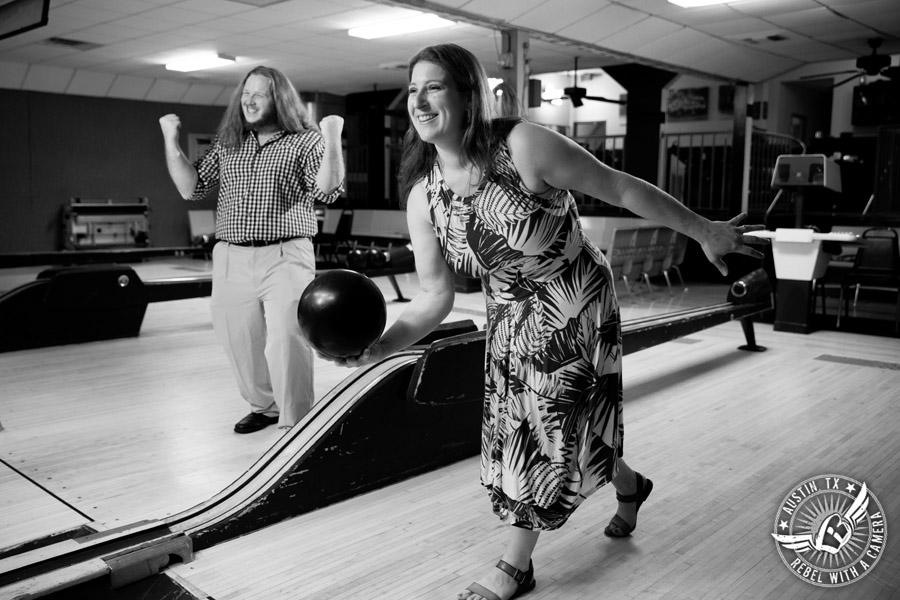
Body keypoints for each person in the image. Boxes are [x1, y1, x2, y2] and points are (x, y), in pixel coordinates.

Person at [327, 44, 767, 600]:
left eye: (434, 86)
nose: (419, 100)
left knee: (543, 429)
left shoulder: (523, 146)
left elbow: (620, 186)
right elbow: (433, 297)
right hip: (509, 316)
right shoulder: (425, 196)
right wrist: (380, 345)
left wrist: (702, 229)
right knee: (554, 424)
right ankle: (630, 486)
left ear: (467, 95)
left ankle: (516, 566)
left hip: (574, 300)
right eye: (412, 89)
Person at [159, 66, 344, 434]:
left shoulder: (305, 141)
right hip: (231, 256)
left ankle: (297, 422)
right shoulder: (230, 143)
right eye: (246, 94)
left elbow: (326, 191)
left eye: (259, 94)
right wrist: (170, 139)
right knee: (238, 338)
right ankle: (264, 406)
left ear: (280, 100)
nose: (249, 100)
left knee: (287, 338)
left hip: (285, 254)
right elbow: (190, 188)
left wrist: (333, 138)